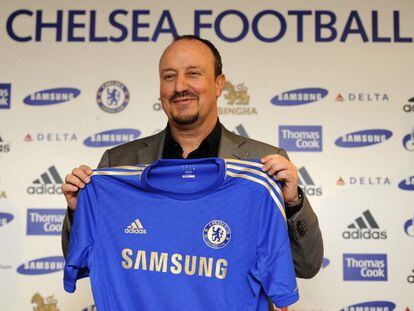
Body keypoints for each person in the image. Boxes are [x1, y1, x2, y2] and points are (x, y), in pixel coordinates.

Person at [61, 35, 323, 280]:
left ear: (219, 84)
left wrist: (292, 203)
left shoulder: (262, 163)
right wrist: (78, 213)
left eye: (193, 74)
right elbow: (82, 262)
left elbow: (305, 265)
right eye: (169, 76)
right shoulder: (119, 162)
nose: (180, 86)